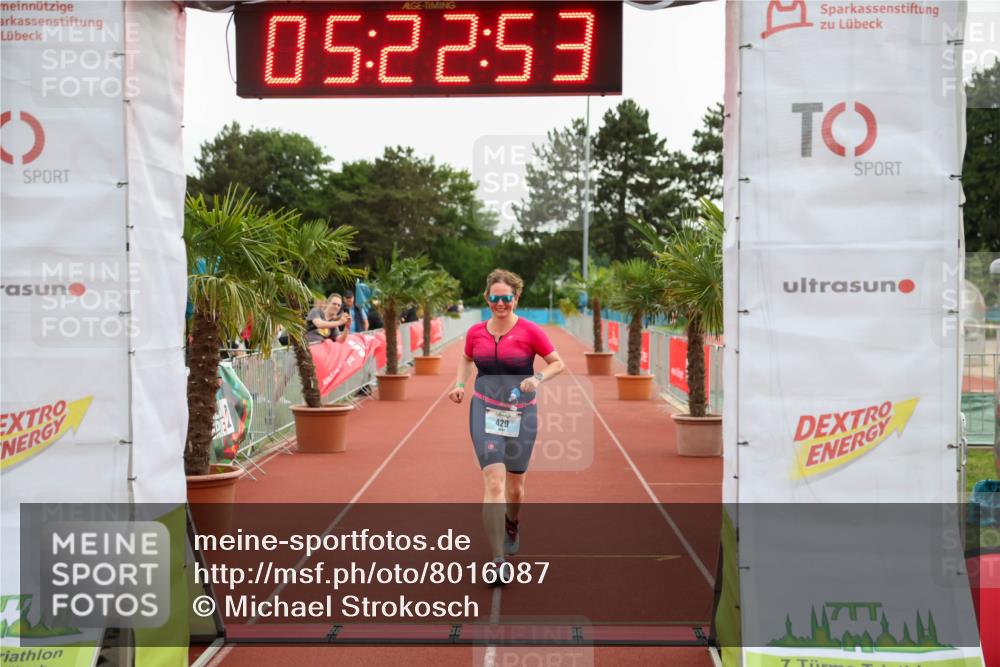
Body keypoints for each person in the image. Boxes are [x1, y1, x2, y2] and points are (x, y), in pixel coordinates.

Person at [449, 269, 565, 585]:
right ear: (487, 298)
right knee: (494, 482)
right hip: (484, 409)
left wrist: (537, 377)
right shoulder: (476, 332)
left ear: (516, 298)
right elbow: (466, 358)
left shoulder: (530, 331)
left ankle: (512, 522)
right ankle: (498, 559)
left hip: (521, 413)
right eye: (495, 298)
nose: (501, 303)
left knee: (515, 487)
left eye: (507, 298)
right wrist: (460, 383)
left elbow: (557, 363)